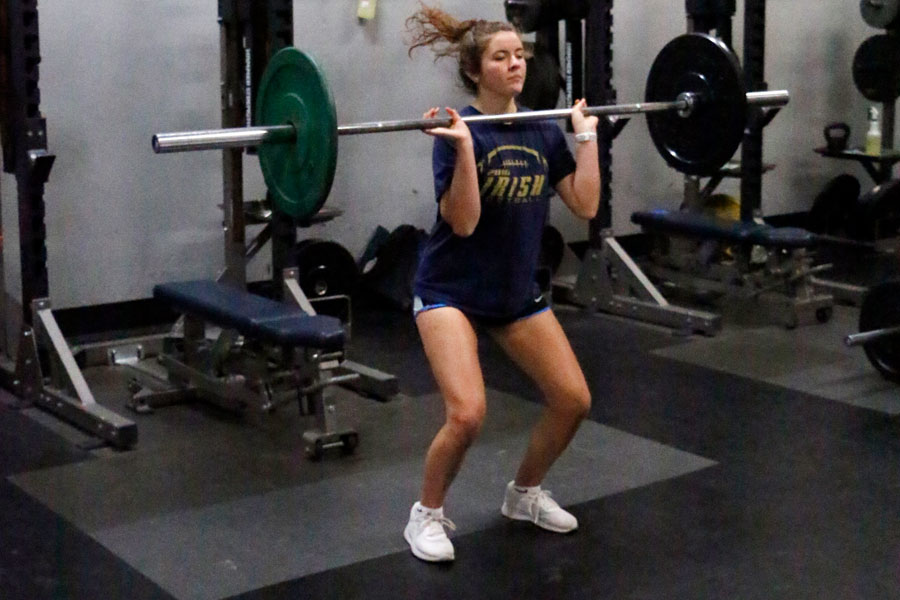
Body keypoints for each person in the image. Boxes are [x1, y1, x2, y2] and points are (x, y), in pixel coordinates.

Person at [403, 4, 600, 563]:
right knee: (467, 414)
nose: (515, 64)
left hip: (513, 293)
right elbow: (463, 222)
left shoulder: (541, 127)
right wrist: (464, 147)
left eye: (520, 55)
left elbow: (585, 204)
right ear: (475, 71)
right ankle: (426, 516)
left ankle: (524, 493)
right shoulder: (456, 130)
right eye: (501, 57)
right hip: (450, 291)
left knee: (573, 400)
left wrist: (583, 139)